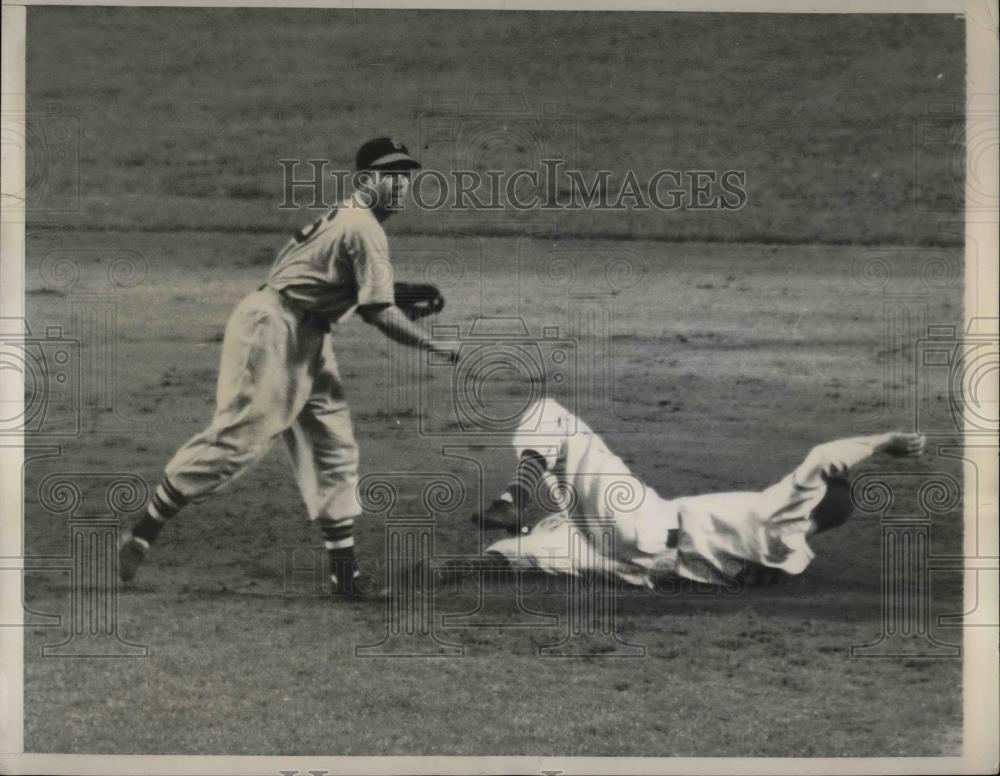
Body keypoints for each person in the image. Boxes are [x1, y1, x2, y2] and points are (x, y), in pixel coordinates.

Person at [119, 137, 459, 597]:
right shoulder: (365, 228)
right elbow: (378, 313)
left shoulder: (354, 219)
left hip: (307, 332)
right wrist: (433, 345)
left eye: (405, 177)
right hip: (272, 329)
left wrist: (387, 296)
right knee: (240, 438)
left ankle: (345, 577)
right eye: (390, 176)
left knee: (333, 444)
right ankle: (143, 531)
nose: (400, 186)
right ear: (365, 180)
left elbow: (348, 290)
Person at [468, 398, 926, 588]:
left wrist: (883, 441)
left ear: (812, 502)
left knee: (552, 416)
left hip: (643, 524)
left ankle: (512, 499)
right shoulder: (791, 556)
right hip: (639, 568)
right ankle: (456, 568)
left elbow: (823, 457)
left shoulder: (779, 516)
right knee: (526, 550)